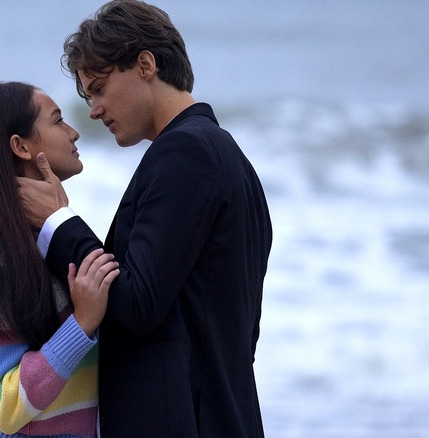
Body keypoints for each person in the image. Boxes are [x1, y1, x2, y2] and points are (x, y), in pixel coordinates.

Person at [17, 1, 273, 436]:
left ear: (145, 64)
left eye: (98, 88)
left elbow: (137, 305)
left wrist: (58, 222)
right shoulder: (230, 160)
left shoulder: (185, 154)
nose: (94, 110)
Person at [0, 81, 120, 438]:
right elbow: (5, 407)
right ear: (21, 146)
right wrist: (81, 323)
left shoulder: (46, 243)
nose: (74, 132)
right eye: (58, 121)